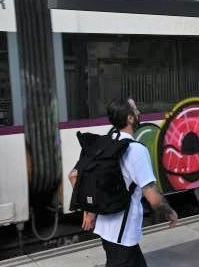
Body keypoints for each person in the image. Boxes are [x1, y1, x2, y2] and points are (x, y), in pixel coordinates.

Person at [69, 98, 178, 267]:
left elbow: (74, 176)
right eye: (136, 110)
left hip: (106, 228)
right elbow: (153, 197)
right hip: (122, 233)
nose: (139, 112)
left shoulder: (107, 141)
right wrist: (170, 212)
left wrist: (89, 209)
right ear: (130, 118)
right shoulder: (137, 150)